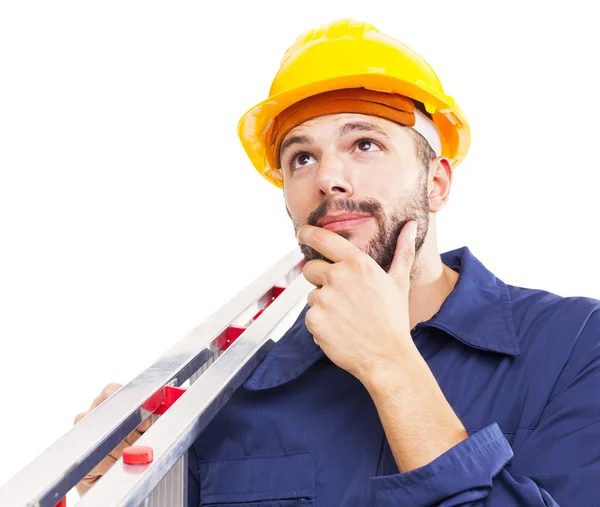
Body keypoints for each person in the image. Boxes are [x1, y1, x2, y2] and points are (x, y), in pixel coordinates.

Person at [75, 19, 600, 506]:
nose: (329, 178)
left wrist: (391, 364)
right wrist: (138, 482)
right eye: (301, 158)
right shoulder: (229, 398)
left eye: (365, 143)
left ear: (435, 183)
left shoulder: (578, 347)